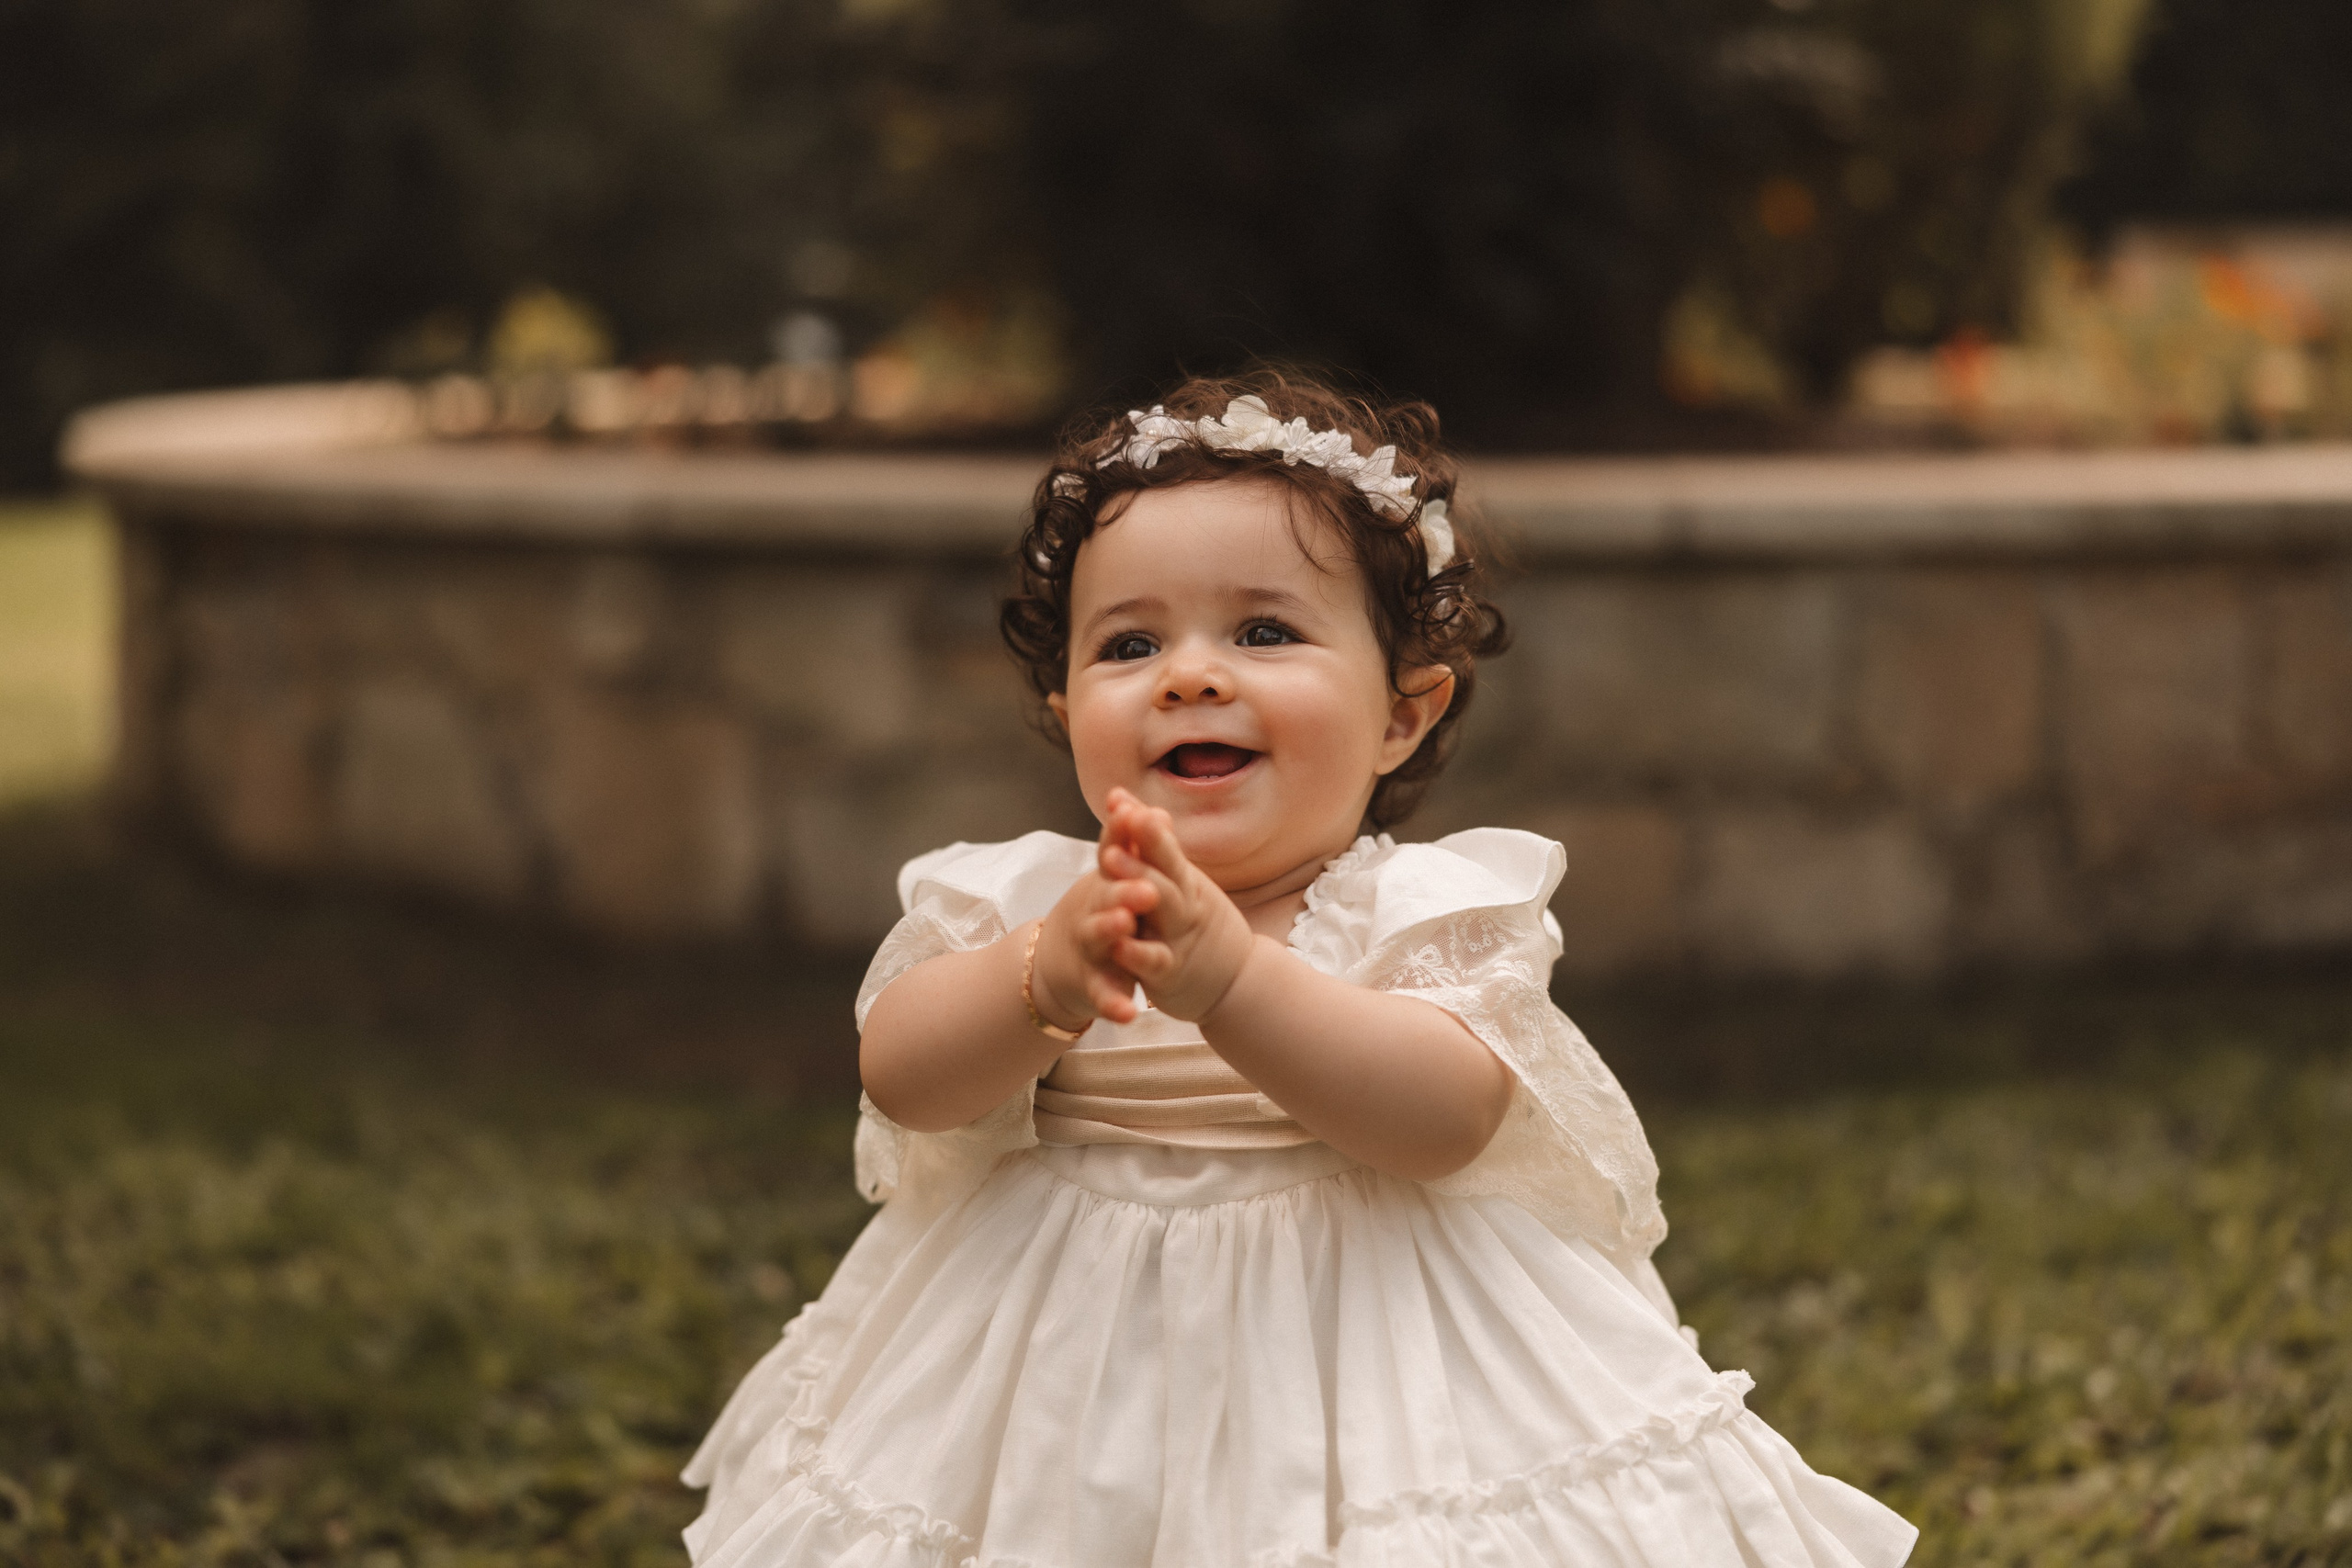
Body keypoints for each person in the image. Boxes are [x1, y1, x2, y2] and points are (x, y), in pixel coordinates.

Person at [682, 371, 1918, 1566]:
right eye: (1128, 644)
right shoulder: (1029, 902)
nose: (1189, 674)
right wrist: (1044, 980)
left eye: (1264, 631)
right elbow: (903, 1077)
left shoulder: (1420, 911)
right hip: (1061, 1356)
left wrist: (1231, 979)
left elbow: (1443, 1118)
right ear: (1066, 713)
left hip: (1365, 1353)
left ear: (1402, 715)